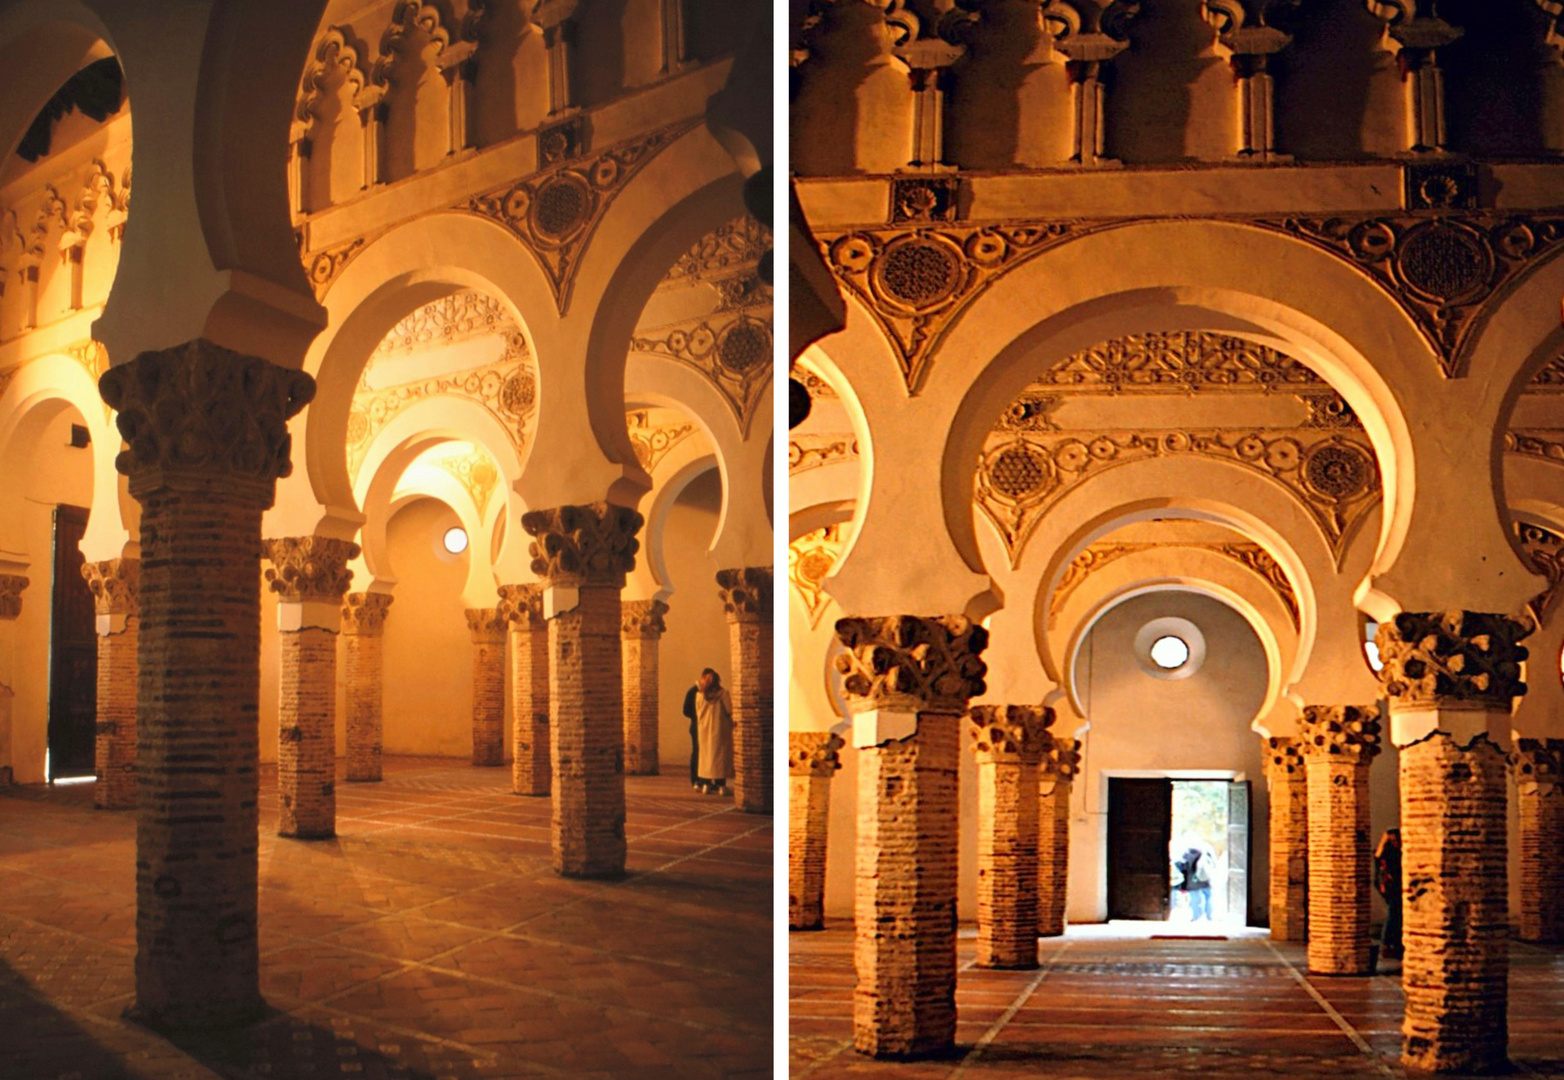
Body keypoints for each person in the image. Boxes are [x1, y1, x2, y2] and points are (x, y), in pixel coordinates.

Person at [693, 668, 734, 796]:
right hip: (720, 729)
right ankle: (721, 785)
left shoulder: (699, 695)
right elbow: (729, 710)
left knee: (705, 757)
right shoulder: (723, 694)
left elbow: (697, 712)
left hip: (704, 730)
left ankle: (706, 784)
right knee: (719, 757)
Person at [1374, 827, 1403, 960]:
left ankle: (1394, 944)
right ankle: (1386, 944)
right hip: (1392, 888)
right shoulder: (1389, 853)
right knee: (1393, 914)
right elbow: (1378, 858)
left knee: (1396, 915)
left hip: (1395, 887)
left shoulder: (1398, 852)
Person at [1174, 844, 1213, 921]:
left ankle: (1196, 916)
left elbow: (1182, 866)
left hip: (1192, 881)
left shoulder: (1186, 855)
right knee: (1208, 898)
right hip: (1205, 880)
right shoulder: (1206, 852)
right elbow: (1212, 863)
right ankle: (1209, 916)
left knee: (1195, 899)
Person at [682, 681, 701, 790]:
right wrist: (697, 716)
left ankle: (704, 779)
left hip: (703, 726)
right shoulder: (692, 691)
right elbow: (685, 711)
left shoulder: (706, 692)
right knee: (697, 751)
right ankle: (695, 779)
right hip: (696, 725)